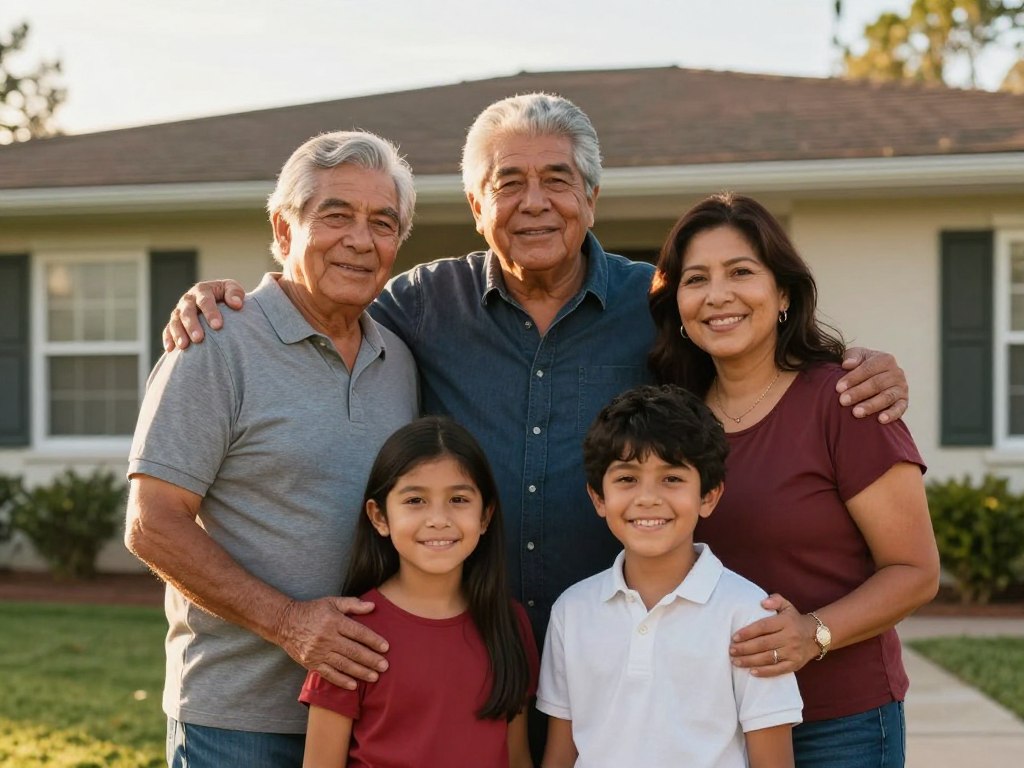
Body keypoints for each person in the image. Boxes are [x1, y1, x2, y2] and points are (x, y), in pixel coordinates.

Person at [161, 94, 909, 640]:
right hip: (470, 644)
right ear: (476, 203)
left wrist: (856, 362)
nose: (534, 203)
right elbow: (326, 305)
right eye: (508, 182)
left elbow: (743, 344)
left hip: (622, 644)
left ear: (590, 196)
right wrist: (234, 297)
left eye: (556, 179)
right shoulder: (419, 305)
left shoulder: (650, 304)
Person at [124, 131, 420, 768]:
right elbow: (152, 524)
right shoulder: (217, 343)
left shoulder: (398, 356)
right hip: (240, 722)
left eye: (383, 222)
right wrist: (291, 624)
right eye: (335, 215)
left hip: (367, 715)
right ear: (284, 231)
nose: (360, 240)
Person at [647, 192, 940, 768]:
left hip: (834, 723)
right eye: (696, 279)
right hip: (711, 721)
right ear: (677, 303)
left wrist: (815, 632)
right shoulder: (671, 420)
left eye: (741, 272)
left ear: (783, 292)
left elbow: (915, 571)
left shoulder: (844, 402)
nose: (718, 296)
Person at [538, 384, 803, 768]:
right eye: (627, 479)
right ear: (599, 498)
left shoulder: (748, 613)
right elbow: (561, 755)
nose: (648, 498)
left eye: (672, 478)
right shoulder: (572, 611)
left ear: (708, 496)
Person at [300, 416, 537, 768]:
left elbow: (517, 759)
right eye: (415, 501)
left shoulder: (509, 623)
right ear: (379, 517)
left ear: (485, 516)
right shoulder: (349, 633)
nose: (438, 519)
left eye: (458, 499)